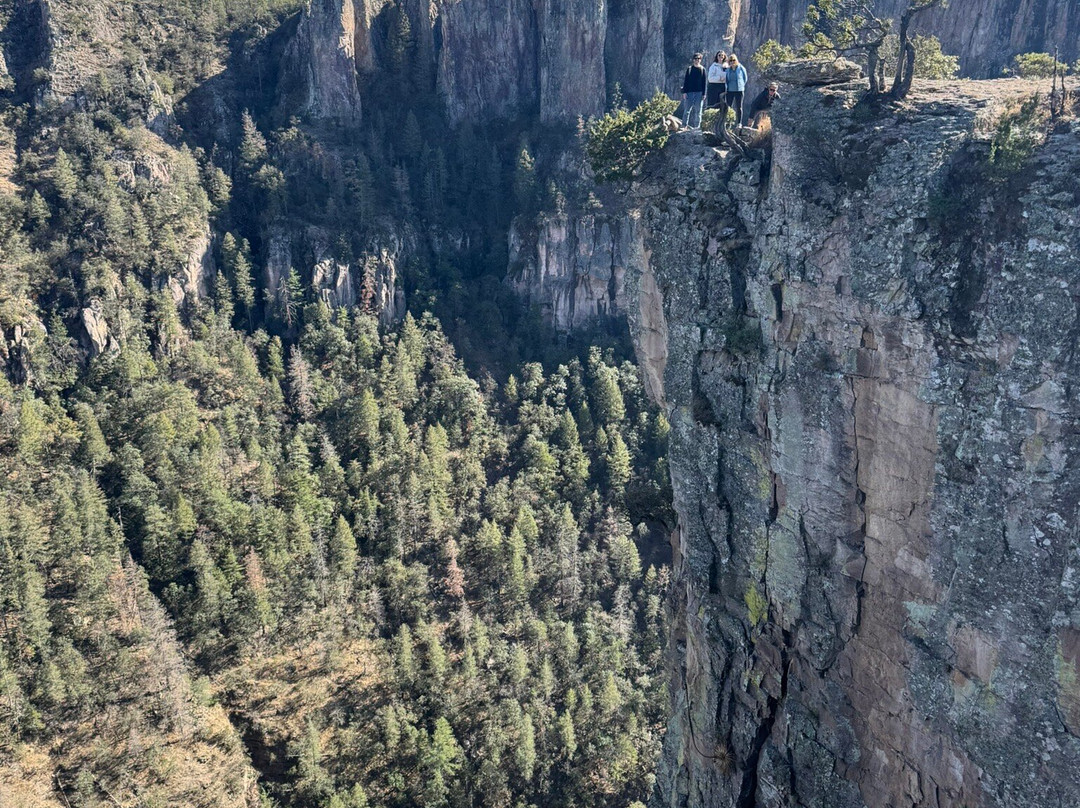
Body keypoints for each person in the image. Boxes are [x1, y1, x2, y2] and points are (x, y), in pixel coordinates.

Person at [681, 53, 707, 129]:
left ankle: (697, 127)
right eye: (696, 59)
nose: (697, 60)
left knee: (698, 111)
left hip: (699, 93)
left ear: (700, 60)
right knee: (687, 111)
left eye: (699, 59)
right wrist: (684, 92)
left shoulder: (702, 70)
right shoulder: (689, 69)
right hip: (689, 92)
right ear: (693, 60)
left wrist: (704, 94)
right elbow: (686, 81)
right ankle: (684, 125)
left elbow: (704, 83)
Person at [724, 54, 748, 127]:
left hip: (739, 90)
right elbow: (726, 79)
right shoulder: (728, 70)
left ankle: (739, 123)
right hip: (730, 90)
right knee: (728, 107)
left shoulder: (741, 68)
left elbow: (745, 78)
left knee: (739, 107)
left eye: (733, 60)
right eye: (730, 60)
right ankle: (728, 123)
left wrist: (741, 85)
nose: (732, 62)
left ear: (736, 60)